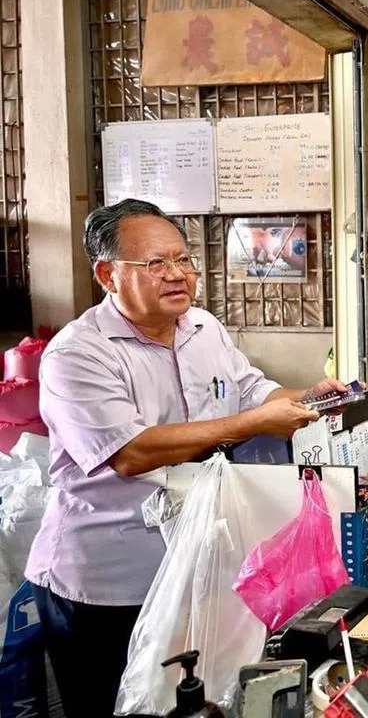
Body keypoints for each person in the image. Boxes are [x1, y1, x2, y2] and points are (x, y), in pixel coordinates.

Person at [24, 199, 347, 718]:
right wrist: (253, 424)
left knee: (189, 702)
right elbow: (131, 453)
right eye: (155, 264)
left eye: (183, 259)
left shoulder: (204, 328)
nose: (177, 275)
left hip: (196, 564)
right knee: (114, 705)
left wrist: (309, 399)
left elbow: (249, 390)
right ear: (108, 274)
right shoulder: (77, 354)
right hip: (107, 578)